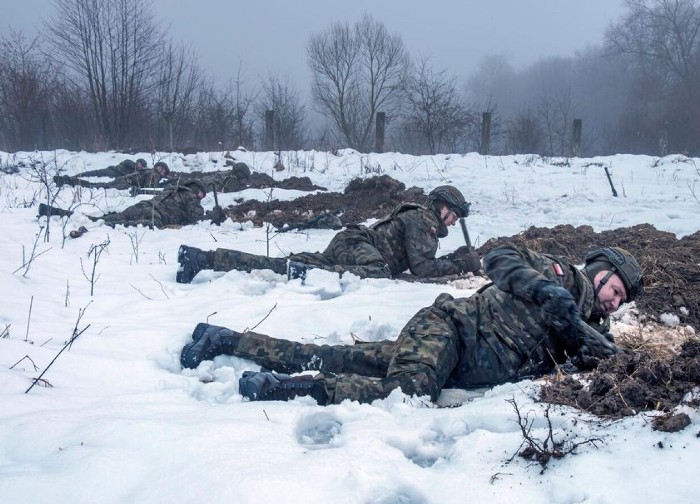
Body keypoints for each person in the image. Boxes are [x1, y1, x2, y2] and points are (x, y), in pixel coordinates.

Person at [179, 244, 644, 405]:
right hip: (448, 332)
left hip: (453, 366)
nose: (615, 302)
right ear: (599, 271)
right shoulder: (553, 273)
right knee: (406, 396)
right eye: (615, 290)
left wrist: (574, 328)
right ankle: (283, 387)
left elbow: (609, 359)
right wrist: (545, 292)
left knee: (336, 355)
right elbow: (497, 258)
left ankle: (223, 339)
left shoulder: (592, 330)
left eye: (621, 300)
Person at [174, 185, 482, 284]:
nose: (453, 222)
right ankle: (313, 273)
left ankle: (204, 259)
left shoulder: (420, 218)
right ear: (441, 207)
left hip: (350, 243)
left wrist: (456, 258)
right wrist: (460, 265)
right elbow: (423, 268)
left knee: (276, 266)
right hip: (358, 246)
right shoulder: (423, 220)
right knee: (378, 273)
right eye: (453, 215)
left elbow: (421, 260)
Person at [36, 179, 222, 230]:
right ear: (195, 189)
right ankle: (107, 226)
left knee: (99, 219)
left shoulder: (172, 190)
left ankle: (54, 212)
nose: (200, 197)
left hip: (141, 206)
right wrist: (214, 215)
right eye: (201, 193)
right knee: (110, 224)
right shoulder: (188, 195)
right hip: (152, 214)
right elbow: (197, 217)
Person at [54, 161, 170, 191]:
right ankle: (68, 180)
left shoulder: (149, 171)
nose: (161, 170)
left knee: (96, 185)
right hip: (124, 183)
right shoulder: (153, 173)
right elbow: (148, 187)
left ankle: (68, 180)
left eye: (163, 171)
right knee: (96, 186)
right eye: (160, 167)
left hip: (123, 180)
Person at [63, 158, 148, 179]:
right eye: (139, 163)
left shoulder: (137, 172)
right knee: (94, 173)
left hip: (115, 175)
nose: (139, 166)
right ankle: (76, 176)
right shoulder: (130, 163)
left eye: (141, 165)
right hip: (112, 171)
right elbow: (128, 163)